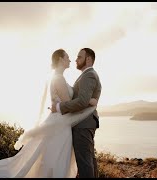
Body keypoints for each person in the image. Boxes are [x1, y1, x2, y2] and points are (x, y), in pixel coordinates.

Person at [0, 49, 99, 178]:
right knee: (55, 156)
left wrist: (76, 103)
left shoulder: (58, 77)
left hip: (59, 122)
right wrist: (89, 103)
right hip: (60, 125)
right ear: (60, 60)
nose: (71, 60)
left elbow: (66, 103)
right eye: (68, 57)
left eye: (74, 57)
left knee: (50, 155)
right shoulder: (59, 79)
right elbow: (67, 104)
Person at [51, 48, 102, 178]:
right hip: (84, 123)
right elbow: (82, 98)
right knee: (89, 159)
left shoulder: (89, 75)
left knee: (85, 162)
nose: (76, 59)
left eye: (79, 57)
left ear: (88, 59)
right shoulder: (85, 75)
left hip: (83, 124)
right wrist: (91, 100)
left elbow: (81, 101)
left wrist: (59, 107)